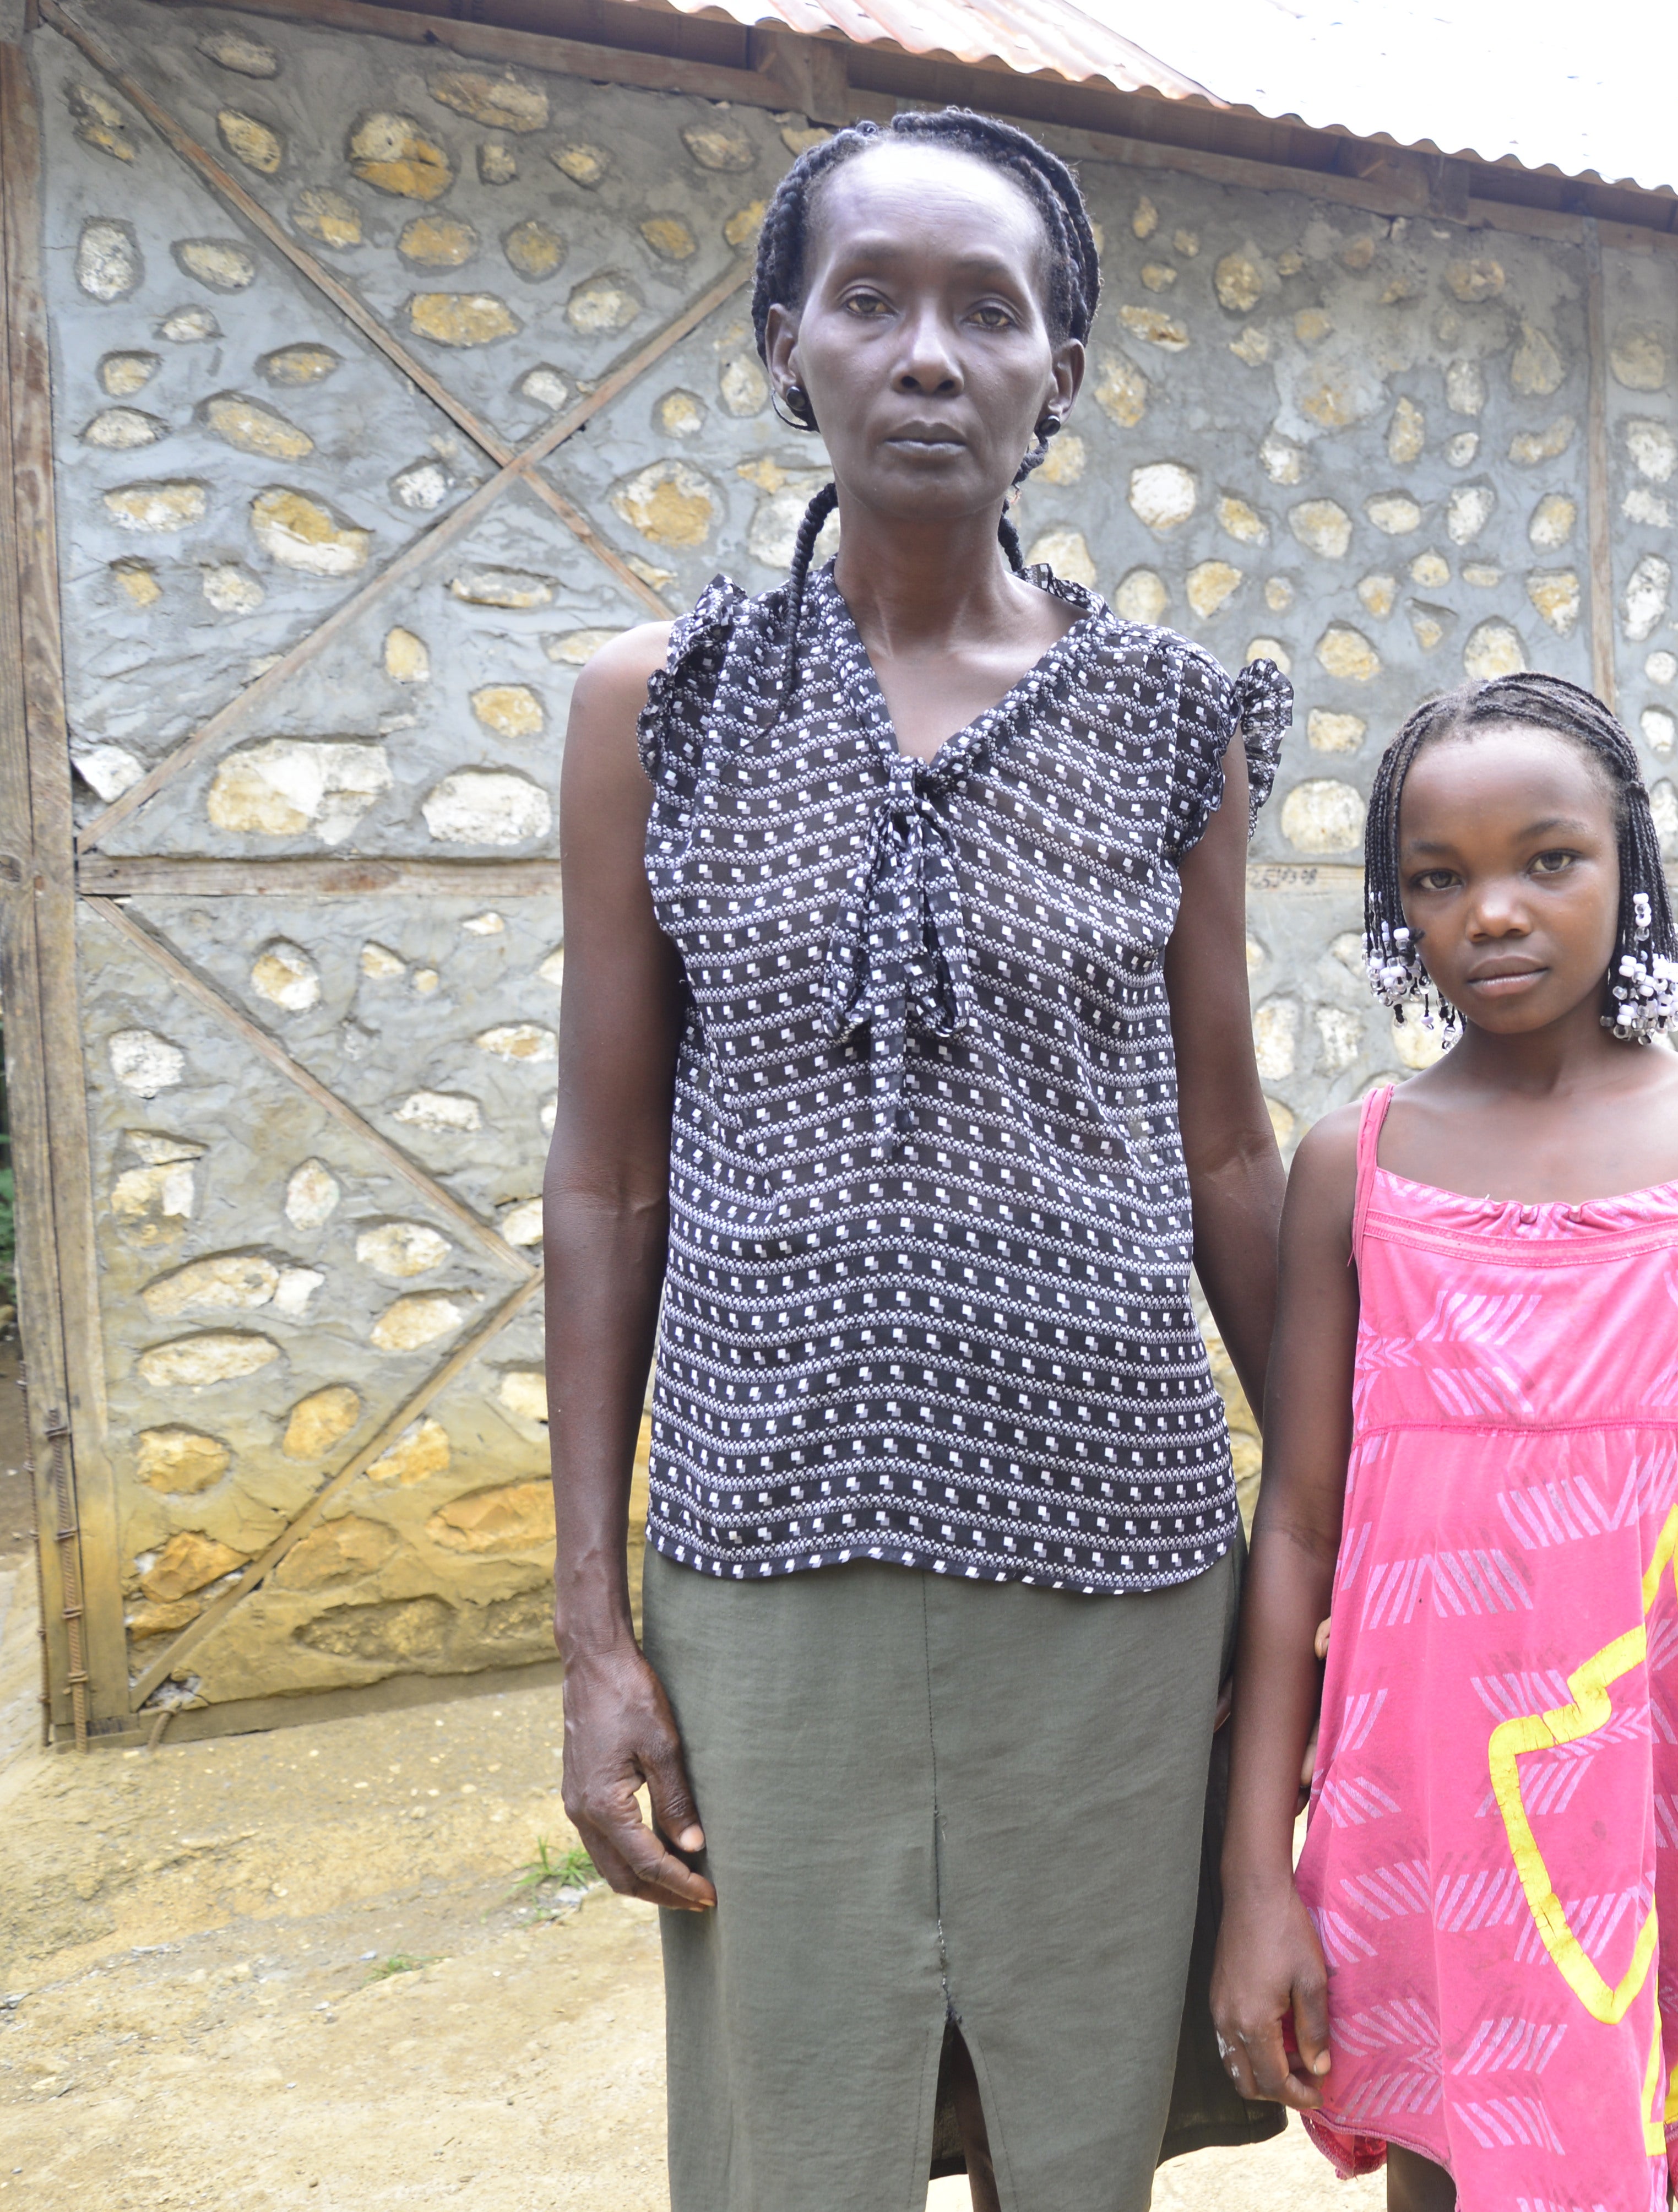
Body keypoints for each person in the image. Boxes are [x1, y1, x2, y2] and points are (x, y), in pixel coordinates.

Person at [544, 108, 1288, 2211]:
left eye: (994, 310)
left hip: (1117, 1545)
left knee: (1072, 2124)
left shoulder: (1169, 720)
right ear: (789, 346)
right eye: (873, 300)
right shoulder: (657, 707)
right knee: (805, 2129)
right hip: (767, 1549)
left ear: (1060, 372)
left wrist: (1343, 1492)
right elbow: (604, 1182)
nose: (930, 354)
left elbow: (1228, 1145)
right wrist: (596, 1633)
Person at [1212, 675, 1678, 2210]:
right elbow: (1297, 1528)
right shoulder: (1350, 1166)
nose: (1493, 911)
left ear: (1625, 865)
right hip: (1416, 1801)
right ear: (1398, 909)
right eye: (1441, 877)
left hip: (1641, 1783)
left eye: (1546, 860)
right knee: (1446, 2169)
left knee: (1618, 2149)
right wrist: (1255, 1880)